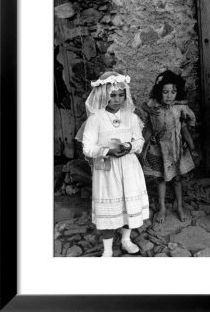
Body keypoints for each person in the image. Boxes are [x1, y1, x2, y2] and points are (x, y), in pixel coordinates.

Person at [75, 71, 149, 257]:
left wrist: (129, 146)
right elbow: (88, 147)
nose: (117, 99)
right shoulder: (95, 119)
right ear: (103, 95)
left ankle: (125, 239)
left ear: (126, 95)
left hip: (129, 167)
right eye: (112, 95)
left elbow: (139, 141)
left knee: (127, 204)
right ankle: (107, 249)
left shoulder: (131, 117)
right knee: (109, 207)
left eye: (120, 95)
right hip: (107, 169)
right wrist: (107, 151)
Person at [141, 70, 198, 223]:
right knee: (161, 178)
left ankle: (179, 206)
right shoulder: (154, 106)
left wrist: (192, 147)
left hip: (175, 149)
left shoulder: (180, 108)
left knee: (177, 179)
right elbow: (148, 124)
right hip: (158, 148)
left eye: (173, 92)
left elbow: (184, 129)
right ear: (160, 92)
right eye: (165, 92)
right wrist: (141, 146)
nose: (169, 95)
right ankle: (162, 208)